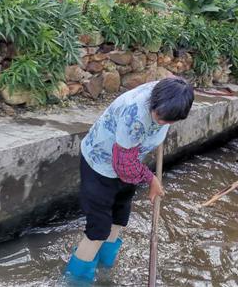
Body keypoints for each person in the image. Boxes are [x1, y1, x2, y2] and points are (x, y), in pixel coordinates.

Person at [65, 78, 194, 282]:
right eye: (159, 117)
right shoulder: (135, 115)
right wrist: (151, 179)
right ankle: (76, 281)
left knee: (119, 216)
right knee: (98, 228)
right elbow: (123, 166)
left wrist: (161, 129)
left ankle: (104, 271)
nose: (162, 123)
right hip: (100, 164)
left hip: (130, 163)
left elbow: (134, 158)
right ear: (154, 102)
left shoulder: (172, 93)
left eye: (169, 121)